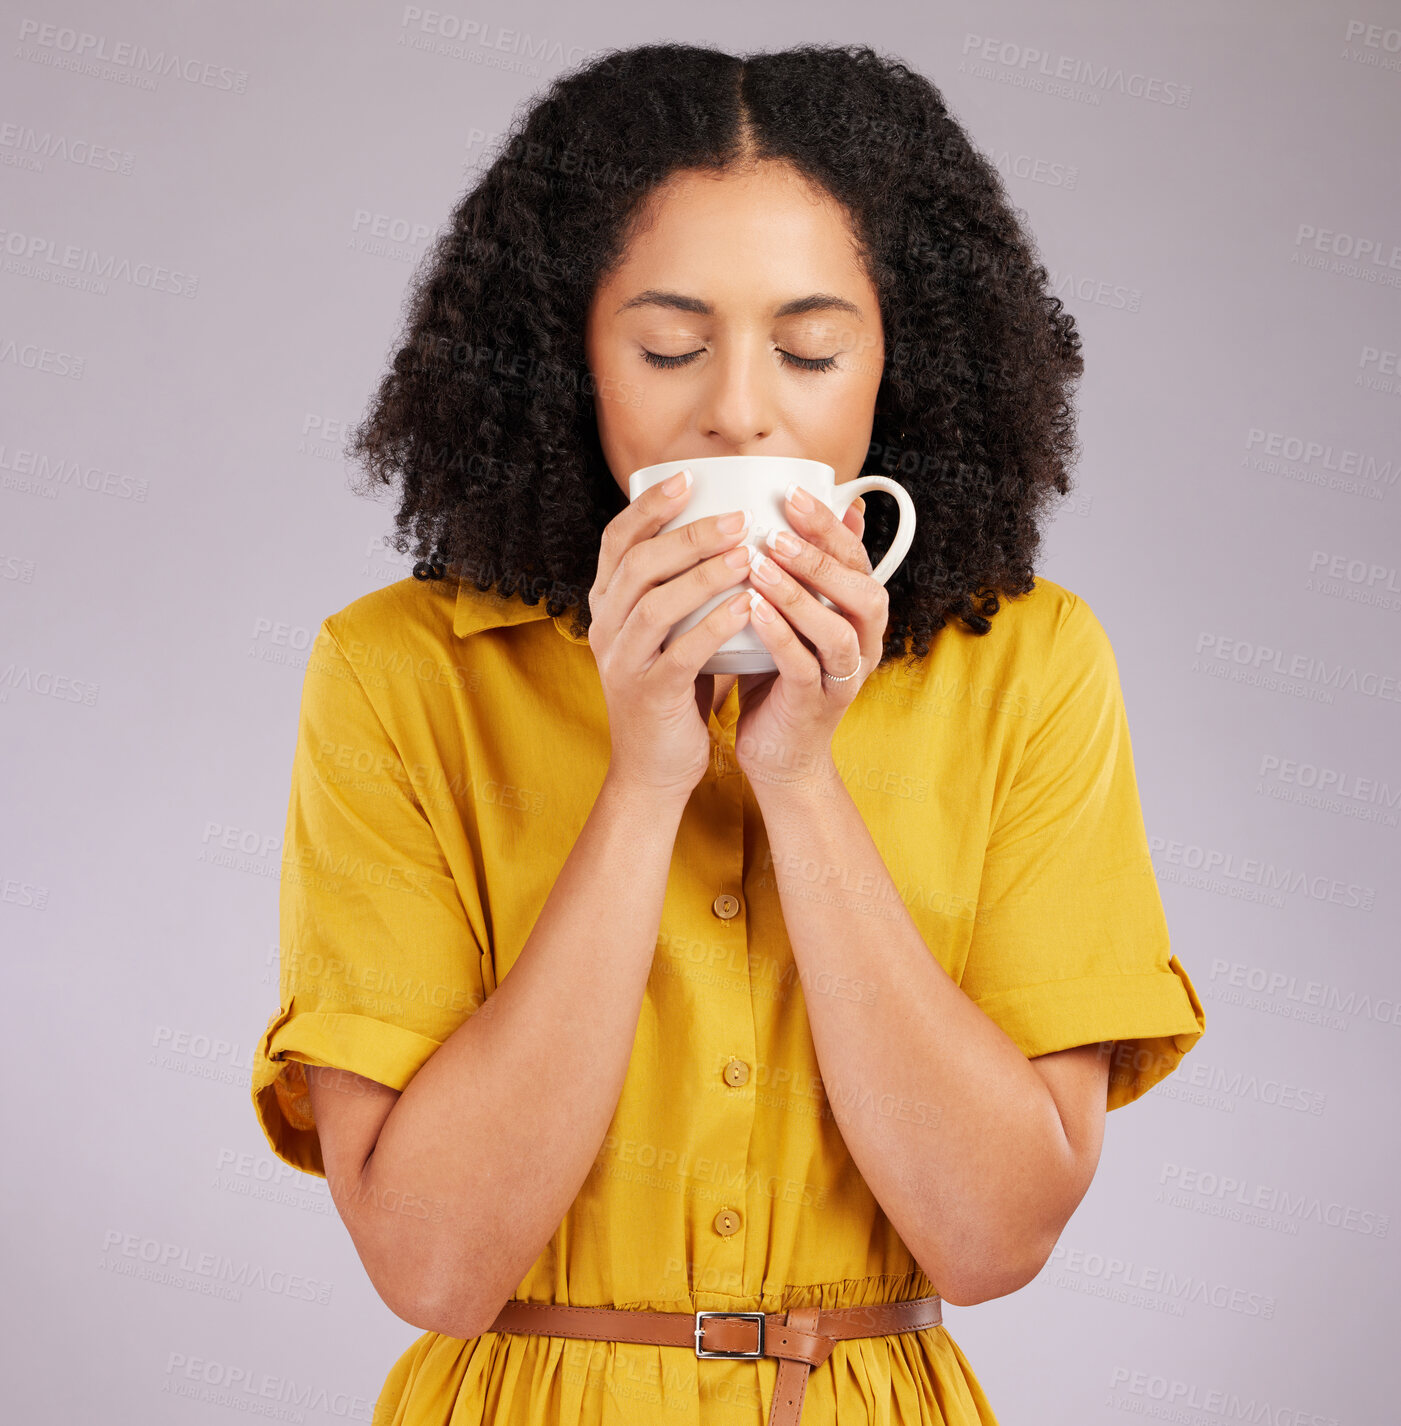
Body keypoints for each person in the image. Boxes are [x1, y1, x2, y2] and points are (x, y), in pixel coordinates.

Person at [250, 41, 1205, 1426]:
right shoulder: (396, 671)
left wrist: (799, 781)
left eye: (810, 348)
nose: (741, 407)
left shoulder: (1033, 664)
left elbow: (994, 1237)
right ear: (563, 355)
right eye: (668, 346)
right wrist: (642, 780)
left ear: (903, 364)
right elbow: (432, 1260)